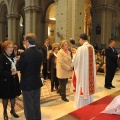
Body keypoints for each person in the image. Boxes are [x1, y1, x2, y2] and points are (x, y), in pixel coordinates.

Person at [16, 33, 43, 120]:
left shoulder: (25, 54)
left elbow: (18, 67)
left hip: (27, 83)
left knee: (28, 106)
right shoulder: (40, 52)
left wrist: (19, 60)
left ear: (27, 41)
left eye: (24, 41)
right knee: (36, 103)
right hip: (37, 82)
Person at [73, 33, 96, 109]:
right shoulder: (91, 47)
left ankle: (81, 105)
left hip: (82, 74)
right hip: (89, 74)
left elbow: (76, 61)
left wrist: (73, 54)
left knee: (82, 86)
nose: (79, 41)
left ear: (81, 39)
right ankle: (89, 103)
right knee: (88, 87)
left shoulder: (81, 49)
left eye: (79, 39)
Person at [0, 40, 21, 120]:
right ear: (5, 48)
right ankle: (5, 112)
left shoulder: (13, 57)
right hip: (5, 81)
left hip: (13, 80)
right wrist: (10, 73)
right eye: (9, 47)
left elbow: (16, 67)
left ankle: (13, 110)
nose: (11, 49)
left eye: (12, 47)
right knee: (5, 98)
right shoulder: (1, 57)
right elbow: (1, 71)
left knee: (13, 96)